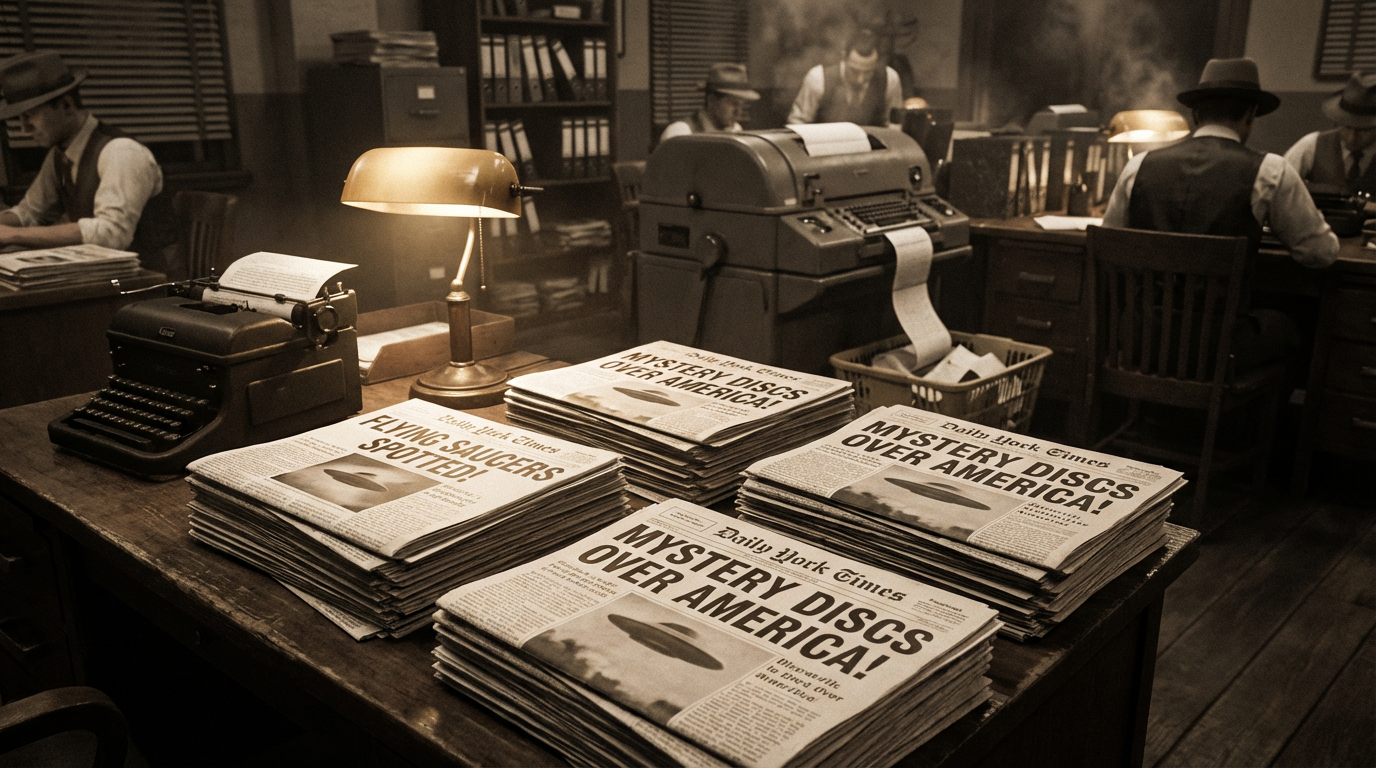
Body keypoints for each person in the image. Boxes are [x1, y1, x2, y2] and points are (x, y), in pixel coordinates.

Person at [1102, 57, 1338, 372]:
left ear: (1196, 114)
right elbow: (1321, 253)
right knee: (1289, 329)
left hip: (1141, 338)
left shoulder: (1138, 165)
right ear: (1251, 114)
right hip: (1217, 349)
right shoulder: (1270, 170)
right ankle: (1248, 420)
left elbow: (1109, 247)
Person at [0, 51, 173, 265]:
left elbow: (112, 234)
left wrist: (11, 235)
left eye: (30, 115)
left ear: (66, 105)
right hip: (106, 277)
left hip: (152, 281)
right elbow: (30, 213)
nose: (24, 128)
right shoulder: (60, 154)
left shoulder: (121, 152)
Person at [1283, 72, 1376, 200]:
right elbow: (1279, 188)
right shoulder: (1312, 145)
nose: (1351, 137)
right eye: (1347, 126)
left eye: (1363, 130)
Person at [787, 29, 903, 127]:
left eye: (868, 72)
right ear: (844, 57)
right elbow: (797, 122)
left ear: (877, 63)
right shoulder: (818, 78)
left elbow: (895, 125)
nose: (860, 80)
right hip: (824, 149)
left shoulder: (890, 79)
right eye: (854, 71)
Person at [659, 63, 760, 143]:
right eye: (733, 103)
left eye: (741, 105)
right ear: (711, 100)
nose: (738, 112)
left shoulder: (736, 130)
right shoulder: (681, 133)